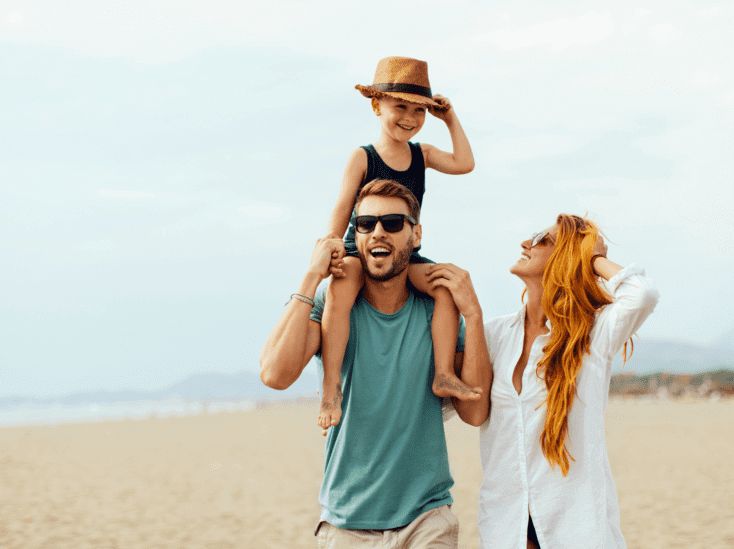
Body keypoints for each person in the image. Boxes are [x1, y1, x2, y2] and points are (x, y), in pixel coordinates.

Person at [260, 179, 492, 547]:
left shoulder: (438, 315)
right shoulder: (335, 306)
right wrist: (312, 275)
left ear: (416, 236)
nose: (377, 232)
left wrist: (474, 315)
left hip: (426, 518)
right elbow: (273, 374)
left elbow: (476, 413)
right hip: (346, 523)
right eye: (365, 224)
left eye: (393, 223)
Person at [472, 214, 660, 548]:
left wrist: (593, 257)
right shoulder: (495, 336)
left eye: (542, 239)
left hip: (576, 532)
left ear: (565, 258)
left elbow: (642, 295)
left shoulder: (592, 337)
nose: (525, 244)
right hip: (504, 531)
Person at [318, 56, 479, 432]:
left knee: (444, 287)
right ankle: (330, 387)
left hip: (407, 253)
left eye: (418, 110)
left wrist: (449, 118)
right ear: (377, 106)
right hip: (361, 247)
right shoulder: (363, 157)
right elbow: (343, 205)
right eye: (399, 107)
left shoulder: (421, 155)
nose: (409, 117)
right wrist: (331, 245)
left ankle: (442, 374)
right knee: (340, 291)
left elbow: (464, 163)